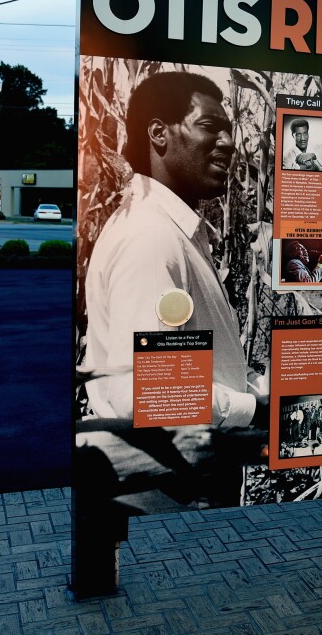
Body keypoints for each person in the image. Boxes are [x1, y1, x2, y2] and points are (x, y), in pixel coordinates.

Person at [82, 70, 262, 427]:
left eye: (228, 129)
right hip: (171, 479)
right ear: (159, 134)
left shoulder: (170, 231)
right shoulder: (151, 237)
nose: (228, 142)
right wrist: (253, 411)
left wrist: (256, 392)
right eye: (210, 126)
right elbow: (145, 390)